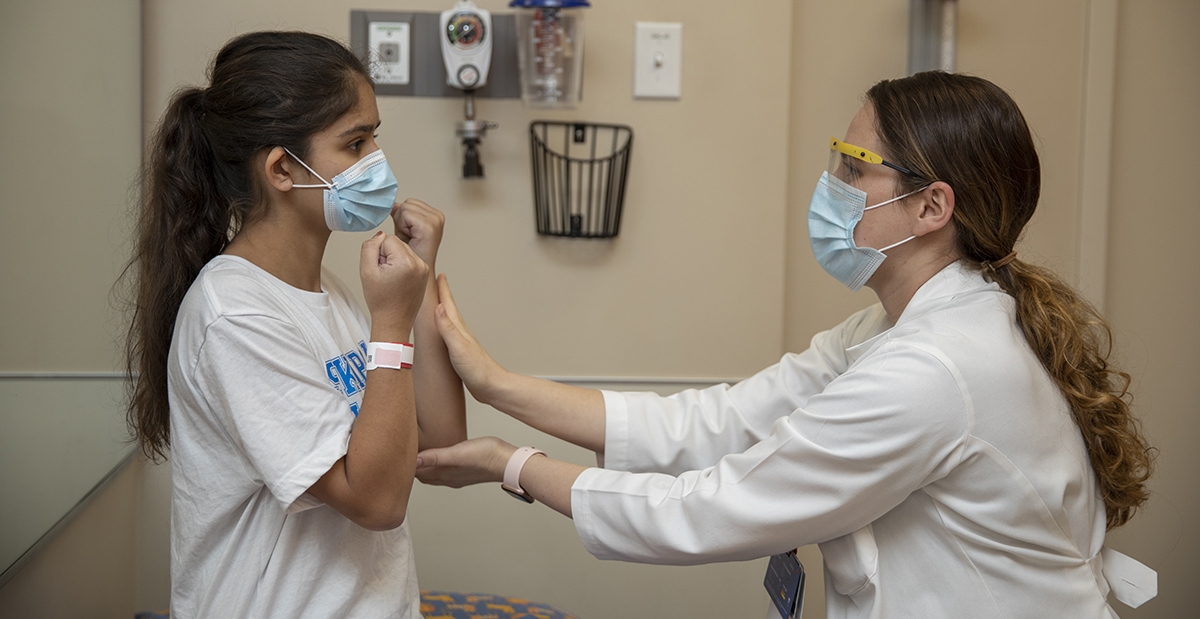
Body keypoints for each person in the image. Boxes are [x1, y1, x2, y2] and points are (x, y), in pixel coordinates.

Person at [414, 71, 1157, 618]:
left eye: (852, 168)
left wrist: (511, 464)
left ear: (932, 206)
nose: (829, 184)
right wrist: (495, 384)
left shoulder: (937, 367)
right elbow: (718, 423)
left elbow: (711, 507)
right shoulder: (895, 329)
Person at [123, 31, 465, 618]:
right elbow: (377, 501)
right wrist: (388, 323)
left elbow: (439, 441)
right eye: (355, 144)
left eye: (374, 138)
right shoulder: (235, 316)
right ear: (283, 169)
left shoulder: (326, 292)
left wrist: (419, 283)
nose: (377, 163)